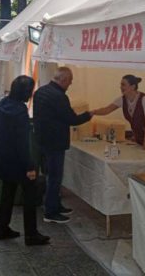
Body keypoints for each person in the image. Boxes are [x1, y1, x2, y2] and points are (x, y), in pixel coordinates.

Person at [0, 75, 51, 246]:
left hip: (3, 158)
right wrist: (30, 166)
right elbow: (22, 143)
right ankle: (31, 235)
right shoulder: (20, 111)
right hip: (19, 162)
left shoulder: (3, 104)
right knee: (29, 197)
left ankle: (2, 229)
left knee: (7, 196)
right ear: (26, 92)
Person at [33, 67, 93, 224]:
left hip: (42, 140)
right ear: (64, 79)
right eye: (70, 81)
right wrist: (89, 114)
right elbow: (72, 119)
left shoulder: (41, 91)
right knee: (55, 177)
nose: (71, 84)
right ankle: (51, 212)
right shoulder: (59, 96)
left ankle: (55, 205)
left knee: (50, 175)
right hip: (55, 142)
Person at [91, 74, 145, 151]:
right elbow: (107, 110)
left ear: (133, 87)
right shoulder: (122, 99)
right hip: (140, 139)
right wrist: (93, 112)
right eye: (120, 85)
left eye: (123, 85)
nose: (121, 87)